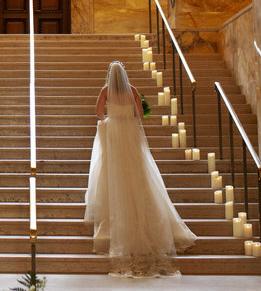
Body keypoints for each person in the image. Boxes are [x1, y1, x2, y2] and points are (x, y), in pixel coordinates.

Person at [84, 61, 197, 277]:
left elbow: (99, 112)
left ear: (110, 74)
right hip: (130, 137)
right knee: (138, 175)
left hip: (115, 137)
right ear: (124, 74)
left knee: (114, 175)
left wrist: (109, 119)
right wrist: (128, 121)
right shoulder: (133, 90)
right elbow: (138, 115)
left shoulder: (106, 90)